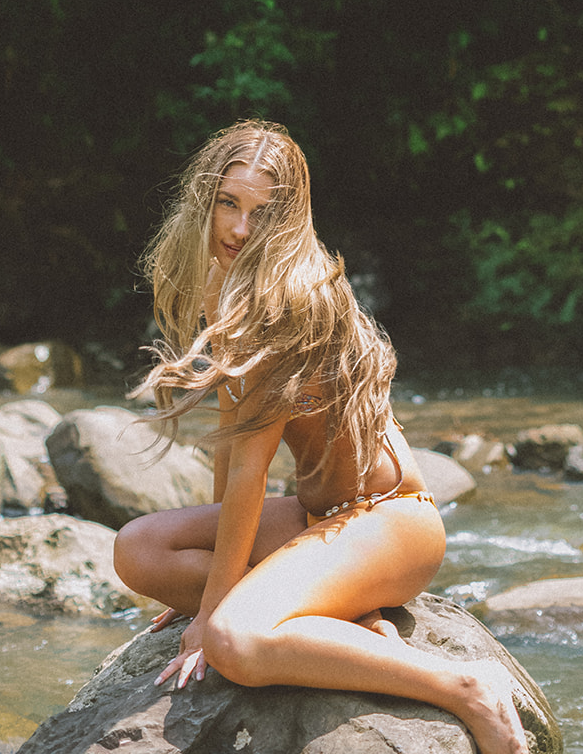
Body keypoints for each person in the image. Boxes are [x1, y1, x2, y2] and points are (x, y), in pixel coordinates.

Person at [113, 120, 529, 754]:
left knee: (234, 642)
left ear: (288, 216)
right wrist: (200, 589)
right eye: (228, 203)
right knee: (138, 549)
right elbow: (234, 437)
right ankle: (344, 616)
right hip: (319, 517)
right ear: (204, 198)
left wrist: (210, 610)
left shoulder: (286, 298)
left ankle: (466, 684)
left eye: (261, 211)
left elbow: (253, 472)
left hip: (387, 521)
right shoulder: (221, 285)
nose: (239, 229)